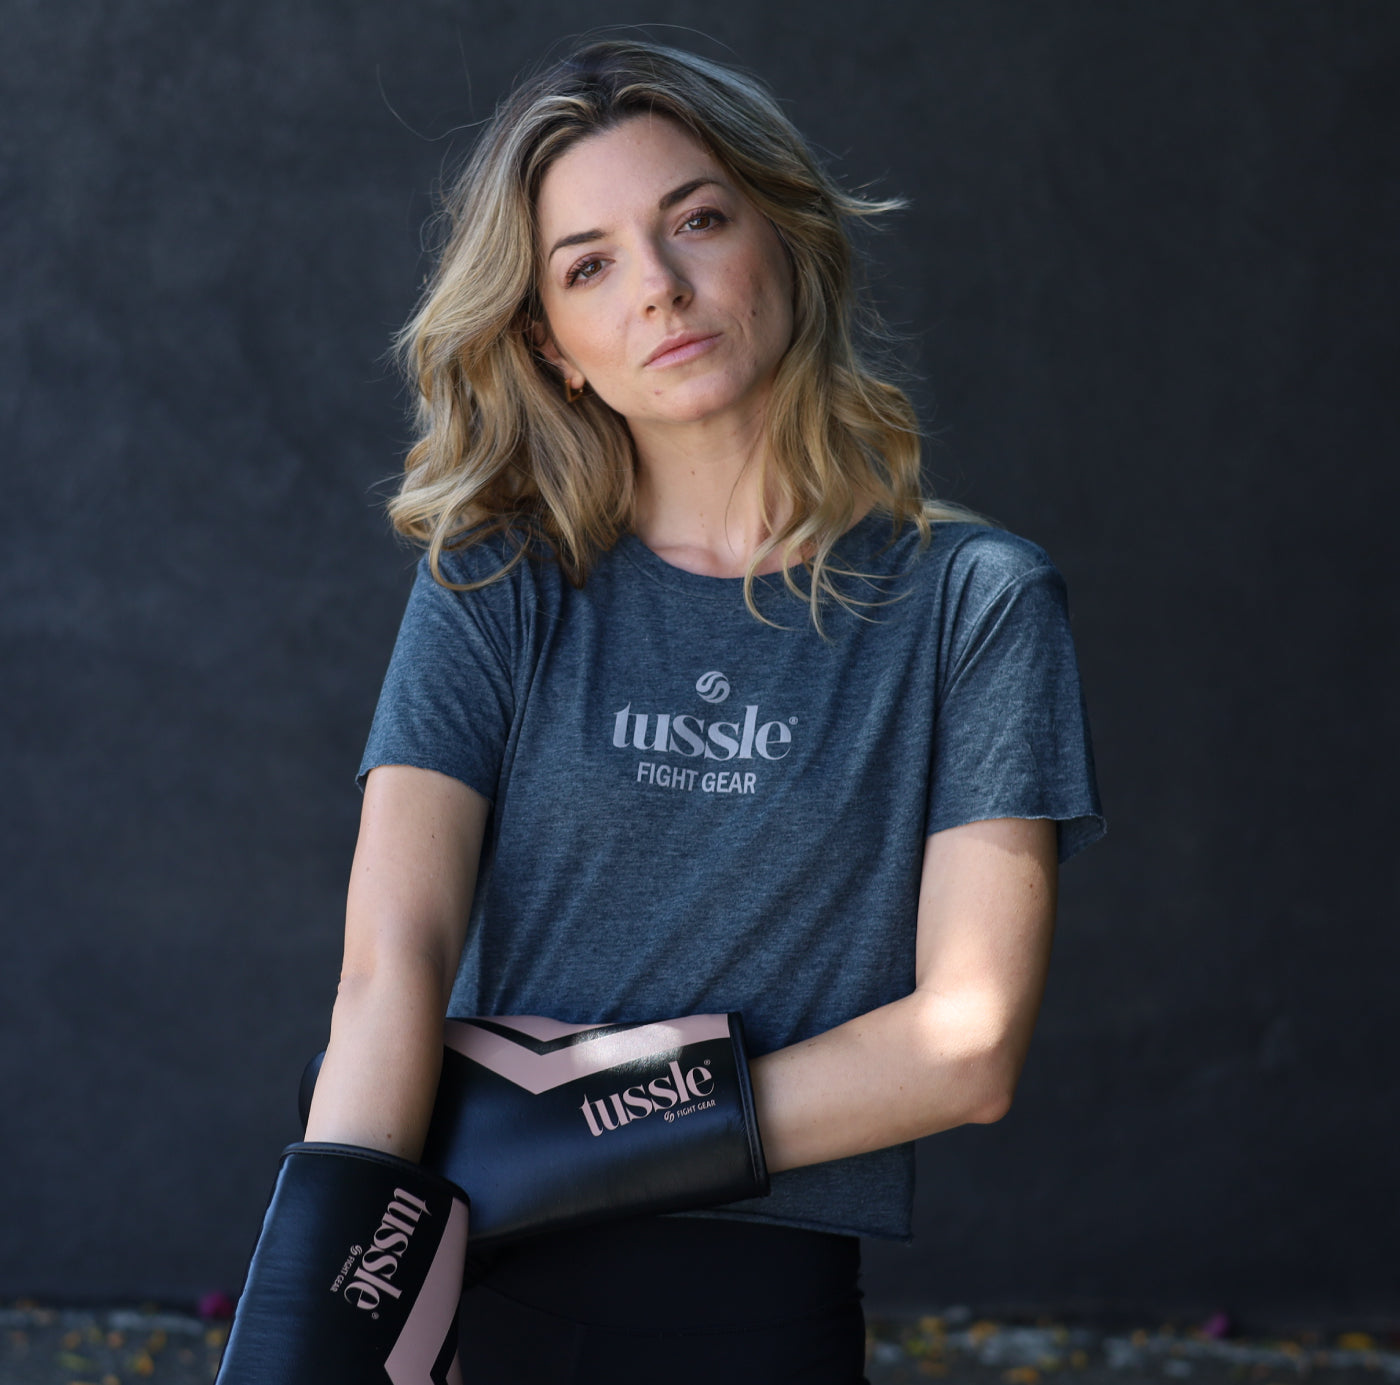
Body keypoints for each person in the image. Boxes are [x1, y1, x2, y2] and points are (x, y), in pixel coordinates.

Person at [273, 35, 1103, 1385]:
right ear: (554, 343)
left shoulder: (977, 604)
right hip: (487, 1287)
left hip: (758, 1315)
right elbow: (390, 971)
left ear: (778, 237)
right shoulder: (499, 585)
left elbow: (969, 1044)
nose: (658, 288)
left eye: (697, 221)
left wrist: (582, 1129)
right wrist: (316, 1323)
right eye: (590, 263)